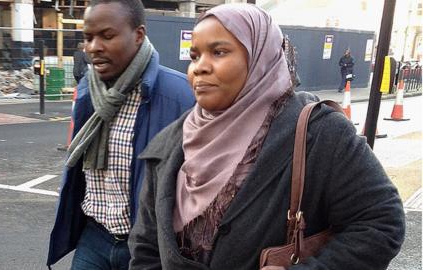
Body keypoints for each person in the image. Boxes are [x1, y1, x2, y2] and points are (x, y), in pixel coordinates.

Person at [129, 4, 405, 270]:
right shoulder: (172, 142)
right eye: (194, 56)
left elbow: (381, 221)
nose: (200, 67)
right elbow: (146, 246)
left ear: (261, 57)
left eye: (219, 52)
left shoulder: (319, 133)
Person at [46, 0, 195, 269]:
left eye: (107, 35)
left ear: (138, 35)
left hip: (146, 247)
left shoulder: (181, 95)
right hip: (94, 237)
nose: (93, 47)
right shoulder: (88, 89)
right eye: (88, 38)